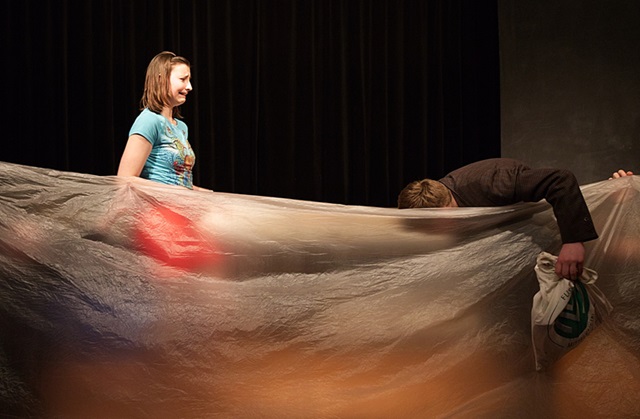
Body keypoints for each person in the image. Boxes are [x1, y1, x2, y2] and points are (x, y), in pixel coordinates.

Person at [398, 158, 598, 281]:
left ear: (446, 205)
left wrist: (573, 241)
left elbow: (560, 180)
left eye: (438, 225)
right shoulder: (436, 197)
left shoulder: (494, 183)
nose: (438, 234)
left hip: (533, 234)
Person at [117, 51, 207, 191]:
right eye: (183, 79)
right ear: (161, 79)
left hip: (180, 201)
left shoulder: (181, 127)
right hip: (157, 203)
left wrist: (204, 193)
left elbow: (179, 182)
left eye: (189, 80)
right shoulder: (149, 121)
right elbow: (125, 179)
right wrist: (177, 192)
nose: (189, 87)